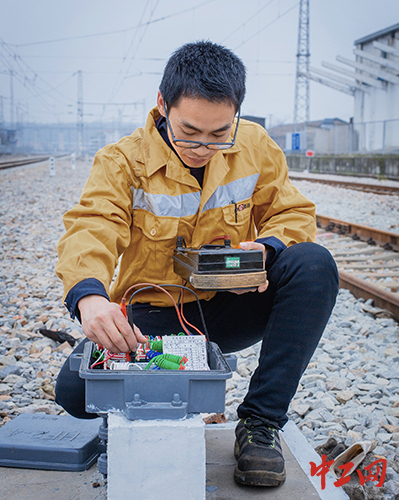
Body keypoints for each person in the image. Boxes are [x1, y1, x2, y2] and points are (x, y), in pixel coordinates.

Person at [55, 40, 339, 487]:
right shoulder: (122, 161)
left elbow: (292, 213)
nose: (204, 147)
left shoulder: (255, 146)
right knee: (74, 393)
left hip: (233, 306)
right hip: (153, 315)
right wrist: (89, 297)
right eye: (189, 131)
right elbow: (92, 227)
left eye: (219, 133)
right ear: (162, 105)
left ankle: (260, 424)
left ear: (236, 115)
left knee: (314, 264)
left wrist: (266, 249)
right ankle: (154, 393)